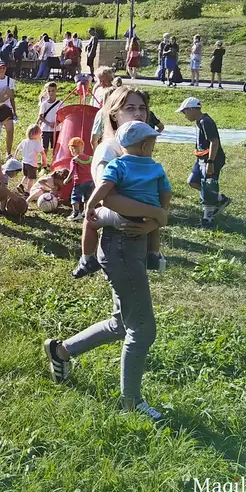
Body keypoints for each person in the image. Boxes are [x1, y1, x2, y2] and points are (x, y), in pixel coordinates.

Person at [44, 121, 172, 422]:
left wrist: (155, 220)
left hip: (133, 246)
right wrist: (156, 215)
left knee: (120, 323)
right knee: (142, 329)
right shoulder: (112, 162)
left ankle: (61, 352)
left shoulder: (144, 168)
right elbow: (105, 202)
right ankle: (132, 402)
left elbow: (161, 204)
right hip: (122, 248)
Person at [72, 88, 170, 279]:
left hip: (134, 234)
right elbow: (108, 198)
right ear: (114, 115)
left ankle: (88, 258)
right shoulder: (108, 150)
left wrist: (153, 222)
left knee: (130, 301)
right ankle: (86, 257)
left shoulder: (136, 147)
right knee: (132, 300)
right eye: (130, 108)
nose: (138, 114)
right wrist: (157, 214)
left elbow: (161, 189)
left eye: (142, 108)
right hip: (119, 238)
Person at [176, 96, 231, 229]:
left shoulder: (206, 121)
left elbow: (214, 142)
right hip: (201, 158)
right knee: (192, 181)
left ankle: (208, 219)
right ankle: (219, 198)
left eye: (184, 112)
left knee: (208, 185)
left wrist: (210, 162)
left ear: (191, 109)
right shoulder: (199, 121)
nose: (184, 115)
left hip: (210, 159)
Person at [64, 136, 94, 221]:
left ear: (73, 149)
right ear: (82, 148)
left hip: (79, 182)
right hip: (90, 181)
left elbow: (72, 171)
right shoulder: (90, 158)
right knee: (87, 198)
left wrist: (67, 179)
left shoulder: (75, 159)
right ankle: (86, 212)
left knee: (75, 197)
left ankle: (76, 213)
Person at [36, 82, 62, 167]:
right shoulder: (44, 104)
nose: (51, 93)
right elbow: (40, 116)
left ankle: (54, 163)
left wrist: (57, 123)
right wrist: (48, 123)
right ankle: (43, 163)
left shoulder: (60, 103)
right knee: (44, 147)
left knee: (55, 147)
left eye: (53, 91)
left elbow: (63, 115)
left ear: (56, 91)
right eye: (49, 91)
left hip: (56, 129)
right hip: (46, 129)